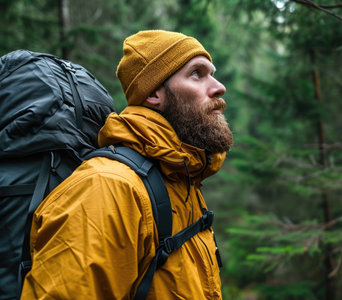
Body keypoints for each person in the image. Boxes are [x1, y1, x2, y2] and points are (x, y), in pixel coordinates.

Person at [21, 30, 233, 300]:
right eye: (196, 74)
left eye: (211, 73)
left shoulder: (181, 178)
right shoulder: (107, 188)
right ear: (154, 93)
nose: (218, 87)